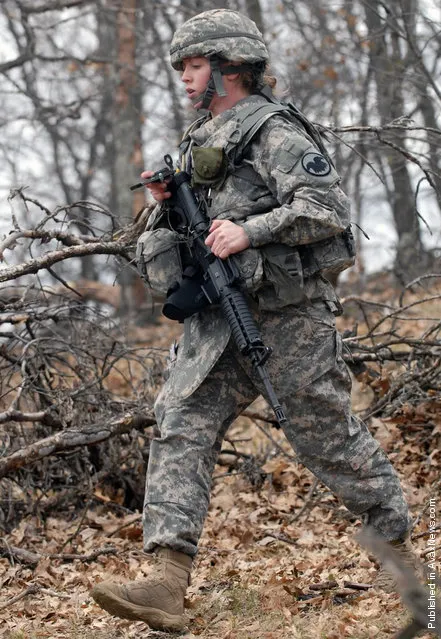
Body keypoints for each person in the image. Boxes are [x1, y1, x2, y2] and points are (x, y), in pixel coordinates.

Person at [91, 9, 414, 632]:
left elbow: (327, 210)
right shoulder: (200, 138)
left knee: (325, 436)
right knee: (180, 425)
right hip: (218, 319)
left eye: (192, 66)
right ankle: (165, 579)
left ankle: (400, 557)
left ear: (228, 66)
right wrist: (169, 204)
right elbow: (198, 227)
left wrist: (251, 230)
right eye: (181, 68)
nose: (184, 79)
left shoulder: (274, 132)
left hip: (288, 320)